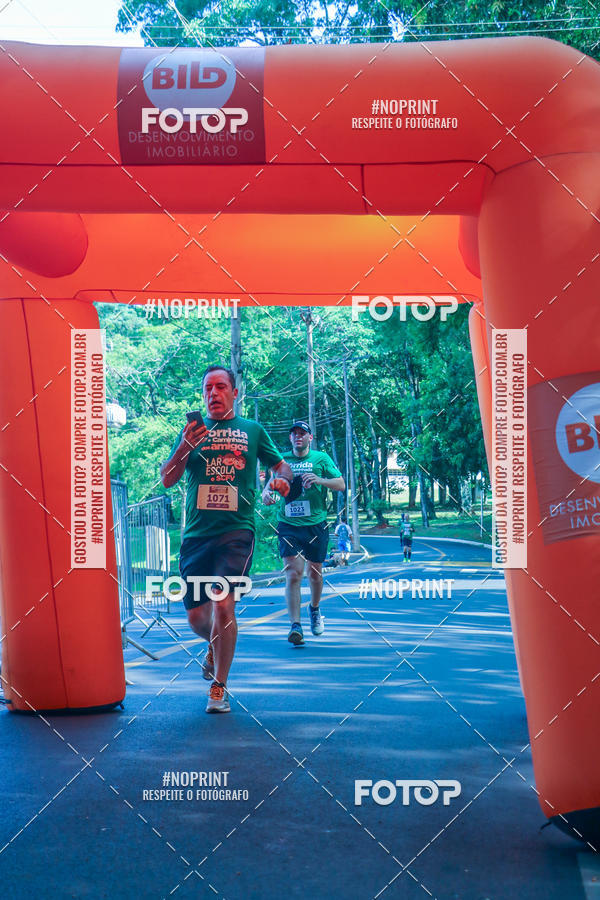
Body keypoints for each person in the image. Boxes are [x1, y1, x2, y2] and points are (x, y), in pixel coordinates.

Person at [160, 365, 293, 713]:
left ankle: (219, 686)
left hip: (236, 532)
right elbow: (167, 479)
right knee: (196, 618)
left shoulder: (252, 430)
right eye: (208, 388)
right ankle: (215, 645)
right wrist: (185, 446)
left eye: (221, 387)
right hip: (196, 536)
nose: (213, 393)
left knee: (222, 603)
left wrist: (280, 481)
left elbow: (281, 467)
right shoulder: (191, 432)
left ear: (235, 393)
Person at [263, 421, 345, 645]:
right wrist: (266, 494)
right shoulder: (281, 460)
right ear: (290, 438)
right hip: (288, 524)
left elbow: (341, 484)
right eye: (294, 434)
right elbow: (270, 485)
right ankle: (295, 626)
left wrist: (319, 479)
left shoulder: (321, 458)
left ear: (310, 437)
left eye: (302, 433)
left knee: (314, 573)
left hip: (315, 524)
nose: (298, 437)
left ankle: (315, 609)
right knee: (293, 573)